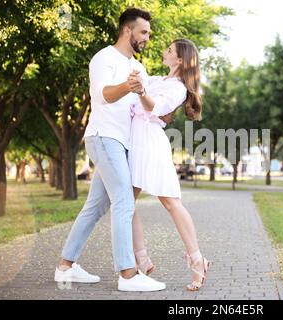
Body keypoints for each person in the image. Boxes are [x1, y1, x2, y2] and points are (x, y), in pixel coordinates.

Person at [54, 8, 166, 292]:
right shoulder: (104, 58)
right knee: (124, 201)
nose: (147, 38)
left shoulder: (139, 68)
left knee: (96, 206)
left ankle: (66, 266)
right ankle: (128, 274)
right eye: (144, 32)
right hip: (104, 137)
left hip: (123, 142)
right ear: (128, 31)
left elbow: (152, 104)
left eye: (149, 33)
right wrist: (128, 86)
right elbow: (103, 95)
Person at [127, 39, 210, 291]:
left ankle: (197, 260)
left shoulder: (178, 88)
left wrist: (141, 92)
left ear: (181, 60)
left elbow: (155, 107)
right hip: (135, 140)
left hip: (150, 143)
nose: (165, 51)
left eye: (170, 50)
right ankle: (142, 260)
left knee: (170, 202)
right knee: (126, 202)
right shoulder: (158, 80)